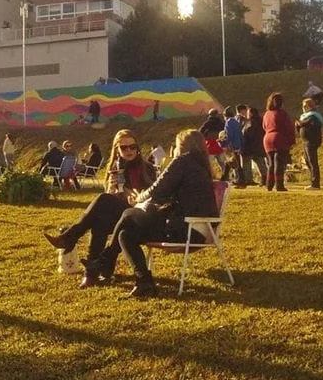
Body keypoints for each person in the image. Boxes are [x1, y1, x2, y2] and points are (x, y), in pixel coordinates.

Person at [81, 130, 218, 298]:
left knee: (128, 214)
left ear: (182, 146)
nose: (173, 149)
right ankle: (144, 282)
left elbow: (157, 190)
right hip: (200, 230)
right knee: (126, 233)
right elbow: (169, 194)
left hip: (185, 230)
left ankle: (102, 260)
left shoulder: (182, 162)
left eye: (176, 145)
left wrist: (139, 198)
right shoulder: (201, 166)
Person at [44, 130, 157, 276]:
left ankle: (71, 238)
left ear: (138, 148)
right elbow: (112, 198)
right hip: (119, 214)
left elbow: (155, 196)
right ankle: (95, 271)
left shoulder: (147, 168)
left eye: (132, 147)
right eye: (124, 148)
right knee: (100, 220)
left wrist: (138, 198)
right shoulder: (114, 168)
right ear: (117, 149)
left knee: (103, 201)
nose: (129, 150)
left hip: (138, 216)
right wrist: (111, 189)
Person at [261, 92, 295, 192]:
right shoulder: (282, 113)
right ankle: (279, 185)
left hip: (267, 138)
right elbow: (289, 127)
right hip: (279, 138)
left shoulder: (267, 114)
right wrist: (291, 140)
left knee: (271, 163)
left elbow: (264, 126)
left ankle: (269, 184)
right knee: (279, 163)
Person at [297, 98, 323, 190]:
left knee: (313, 161)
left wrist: (301, 124)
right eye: (303, 106)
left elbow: (313, 125)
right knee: (307, 161)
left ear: (311, 106)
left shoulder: (314, 116)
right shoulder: (304, 117)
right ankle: (313, 181)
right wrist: (298, 126)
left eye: (306, 106)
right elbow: (301, 127)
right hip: (306, 141)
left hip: (312, 141)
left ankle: (315, 184)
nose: (304, 108)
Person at [238, 103, 267, 188]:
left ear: (250, 113)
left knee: (246, 164)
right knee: (261, 164)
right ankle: (265, 178)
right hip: (259, 146)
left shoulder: (250, 122)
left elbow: (246, 133)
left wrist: (243, 140)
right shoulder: (261, 121)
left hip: (249, 147)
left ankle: (248, 179)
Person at [222, 106, 244, 183]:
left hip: (232, 146)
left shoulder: (228, 122)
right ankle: (225, 177)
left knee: (232, 162)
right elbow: (240, 135)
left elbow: (229, 136)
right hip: (238, 145)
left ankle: (238, 179)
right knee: (234, 162)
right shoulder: (236, 122)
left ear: (225, 116)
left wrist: (223, 142)